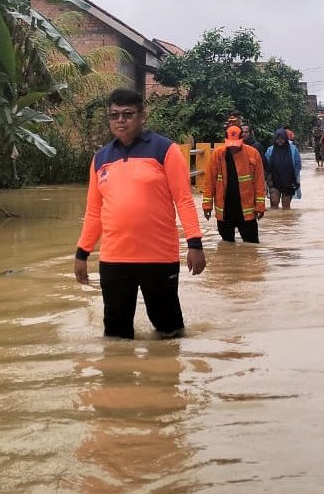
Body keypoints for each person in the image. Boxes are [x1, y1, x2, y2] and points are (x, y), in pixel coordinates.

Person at [74, 88, 206, 339]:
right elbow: (94, 212)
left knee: (170, 333)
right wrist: (82, 253)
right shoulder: (100, 159)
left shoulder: (165, 150)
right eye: (114, 115)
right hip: (114, 260)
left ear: (142, 116)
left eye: (127, 114)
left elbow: (184, 201)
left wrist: (195, 244)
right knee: (116, 335)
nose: (120, 120)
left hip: (159, 257)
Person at [202, 125, 266, 242]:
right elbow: (209, 182)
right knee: (226, 247)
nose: (233, 148)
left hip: (246, 211)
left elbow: (259, 183)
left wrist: (260, 206)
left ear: (242, 139)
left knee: (251, 247)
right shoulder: (217, 155)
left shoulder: (253, 154)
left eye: (235, 144)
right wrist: (207, 205)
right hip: (225, 211)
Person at [264, 128, 301, 209]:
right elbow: (266, 166)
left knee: (286, 206)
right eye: (278, 138)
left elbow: (298, 165)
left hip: (288, 182)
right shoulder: (270, 150)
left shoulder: (293, 149)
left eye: (282, 138)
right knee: (274, 204)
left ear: (286, 139)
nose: (280, 141)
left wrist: (293, 179)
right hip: (274, 181)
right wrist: (267, 180)